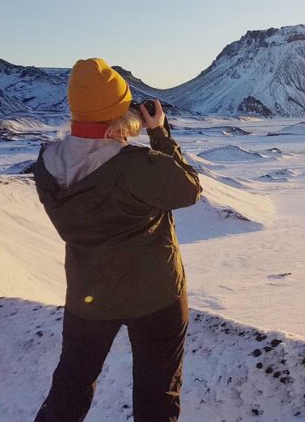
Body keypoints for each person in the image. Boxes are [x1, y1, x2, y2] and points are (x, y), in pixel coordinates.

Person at [33, 58, 202, 422]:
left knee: (70, 388)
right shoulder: (137, 165)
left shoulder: (47, 164)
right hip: (156, 296)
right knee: (157, 396)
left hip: (88, 296)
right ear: (119, 112)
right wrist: (160, 135)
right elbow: (188, 188)